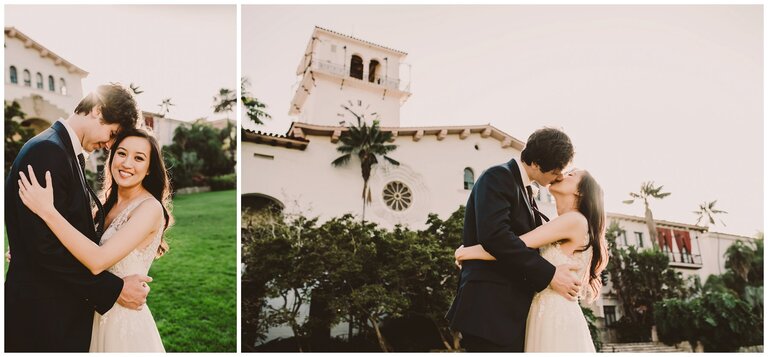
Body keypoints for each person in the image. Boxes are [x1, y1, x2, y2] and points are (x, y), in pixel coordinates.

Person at [4, 84, 151, 352]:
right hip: (43, 318)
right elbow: (45, 249)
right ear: (97, 110)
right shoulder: (48, 152)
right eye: (112, 134)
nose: (109, 145)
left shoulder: (61, 150)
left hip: (57, 313)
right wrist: (113, 289)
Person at [17, 127, 172, 352]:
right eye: (121, 153)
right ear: (112, 157)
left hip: (123, 322)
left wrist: (47, 211)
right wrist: (29, 247)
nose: (127, 163)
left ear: (149, 169)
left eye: (139, 158)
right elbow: (73, 246)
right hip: (90, 315)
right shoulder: (102, 205)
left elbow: (97, 260)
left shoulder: (150, 209)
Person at [445, 127, 583, 352]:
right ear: (537, 163)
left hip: (509, 312)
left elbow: (525, 240)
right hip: (490, 310)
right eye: (556, 171)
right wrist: (550, 274)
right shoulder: (498, 177)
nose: (558, 177)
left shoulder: (526, 190)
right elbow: (496, 237)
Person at [455, 169, 608, 352]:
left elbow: (513, 247)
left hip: (554, 315)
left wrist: (465, 252)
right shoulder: (564, 222)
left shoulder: (573, 220)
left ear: (580, 192)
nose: (561, 174)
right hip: (543, 311)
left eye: (570, 175)